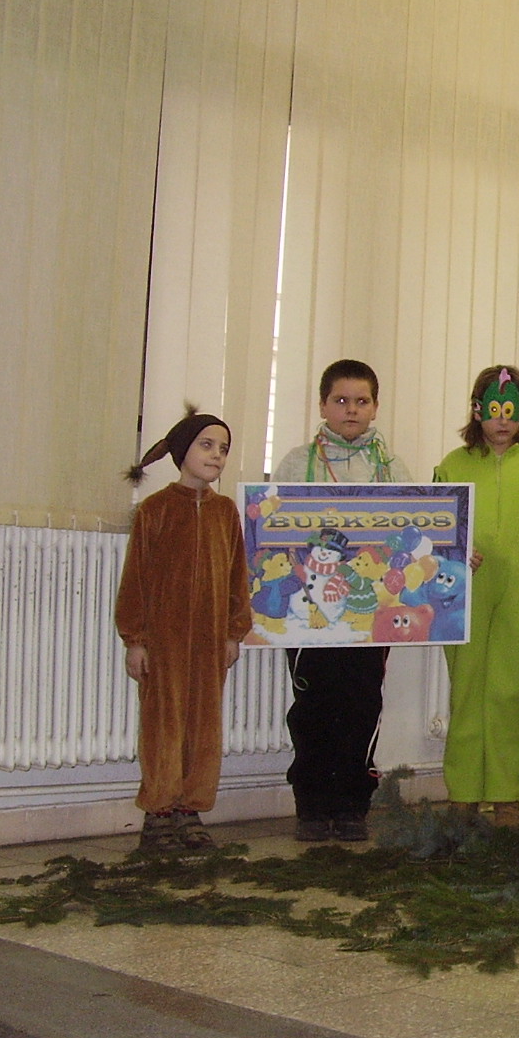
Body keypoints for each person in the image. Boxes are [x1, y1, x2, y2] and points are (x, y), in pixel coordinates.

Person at [274, 359, 412, 843]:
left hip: (369, 613)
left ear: (375, 407)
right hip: (308, 613)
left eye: (361, 401)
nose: (351, 409)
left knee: (362, 703)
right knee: (312, 705)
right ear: (322, 405)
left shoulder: (391, 468)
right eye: (341, 400)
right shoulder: (297, 463)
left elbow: (413, 531)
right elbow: (272, 529)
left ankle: (353, 804)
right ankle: (312, 805)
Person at [116, 409, 251, 853]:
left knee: (203, 726)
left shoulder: (225, 513)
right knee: (163, 724)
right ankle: (159, 810)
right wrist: (136, 640)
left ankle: (190, 808)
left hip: (210, 644)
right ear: (182, 450)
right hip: (164, 643)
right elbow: (135, 580)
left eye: (223, 449)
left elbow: (236, 578)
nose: (216, 456)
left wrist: (233, 633)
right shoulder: (155, 511)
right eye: (206, 445)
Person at [433, 366, 519, 828]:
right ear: (476, 411)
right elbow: (433, 532)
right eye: (493, 410)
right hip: (464, 593)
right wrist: (454, 552)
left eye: (510, 410)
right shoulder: (452, 466)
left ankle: (505, 795)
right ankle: (463, 794)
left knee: (508, 693)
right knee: (466, 690)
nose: (502, 420)